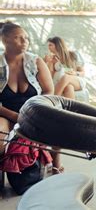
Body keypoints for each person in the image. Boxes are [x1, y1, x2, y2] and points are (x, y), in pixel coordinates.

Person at [0, 21, 61, 172]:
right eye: (18, 37)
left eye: (26, 38)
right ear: (5, 40)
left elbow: (48, 91)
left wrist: (32, 112)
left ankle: (56, 167)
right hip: (6, 113)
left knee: (57, 128)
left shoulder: (36, 61)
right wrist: (15, 116)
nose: (25, 41)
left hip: (34, 111)